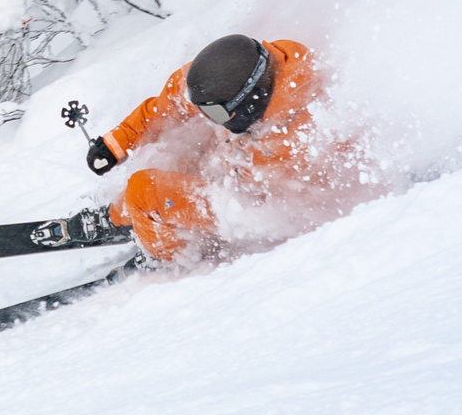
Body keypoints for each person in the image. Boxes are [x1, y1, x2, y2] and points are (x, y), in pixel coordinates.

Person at [84, 33, 343, 262]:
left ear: (249, 104)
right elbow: (170, 104)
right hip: (232, 166)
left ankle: (175, 252)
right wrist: (115, 143)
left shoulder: (294, 144)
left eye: (214, 112)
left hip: (249, 206)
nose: (204, 117)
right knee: (184, 150)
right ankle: (122, 215)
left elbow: (263, 215)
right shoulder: (234, 77)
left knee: (142, 190)